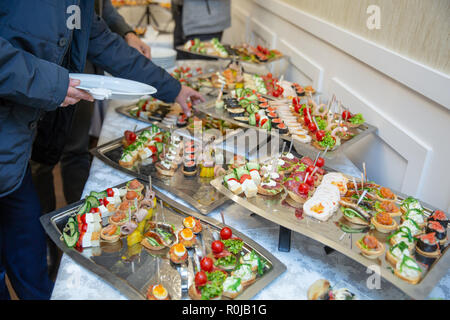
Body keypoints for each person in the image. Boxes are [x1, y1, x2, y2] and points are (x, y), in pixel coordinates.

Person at [0, 0, 203, 300]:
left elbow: (106, 44)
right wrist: (52, 83)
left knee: (31, 259)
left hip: (12, 160)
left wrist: (174, 89)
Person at [30, 0, 153, 279]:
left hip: (83, 69)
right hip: (43, 67)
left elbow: (101, 8)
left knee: (76, 152)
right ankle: (47, 247)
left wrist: (127, 32)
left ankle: (87, 228)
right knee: (39, 164)